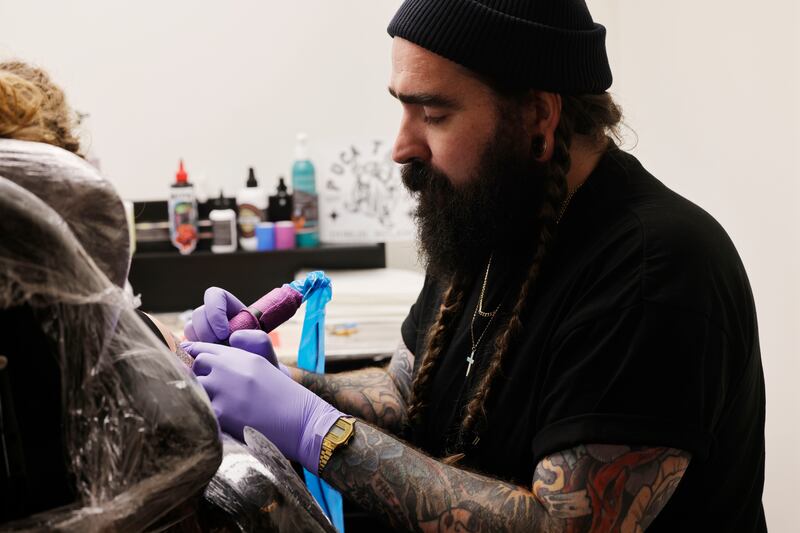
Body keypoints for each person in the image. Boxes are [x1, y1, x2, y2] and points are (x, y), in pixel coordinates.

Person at [183, 1, 766, 531]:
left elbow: (560, 526)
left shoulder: (654, 270)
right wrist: (280, 383)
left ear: (538, 118)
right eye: (403, 109)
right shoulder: (491, 212)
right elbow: (409, 387)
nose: (401, 146)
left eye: (433, 114)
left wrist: (319, 432)